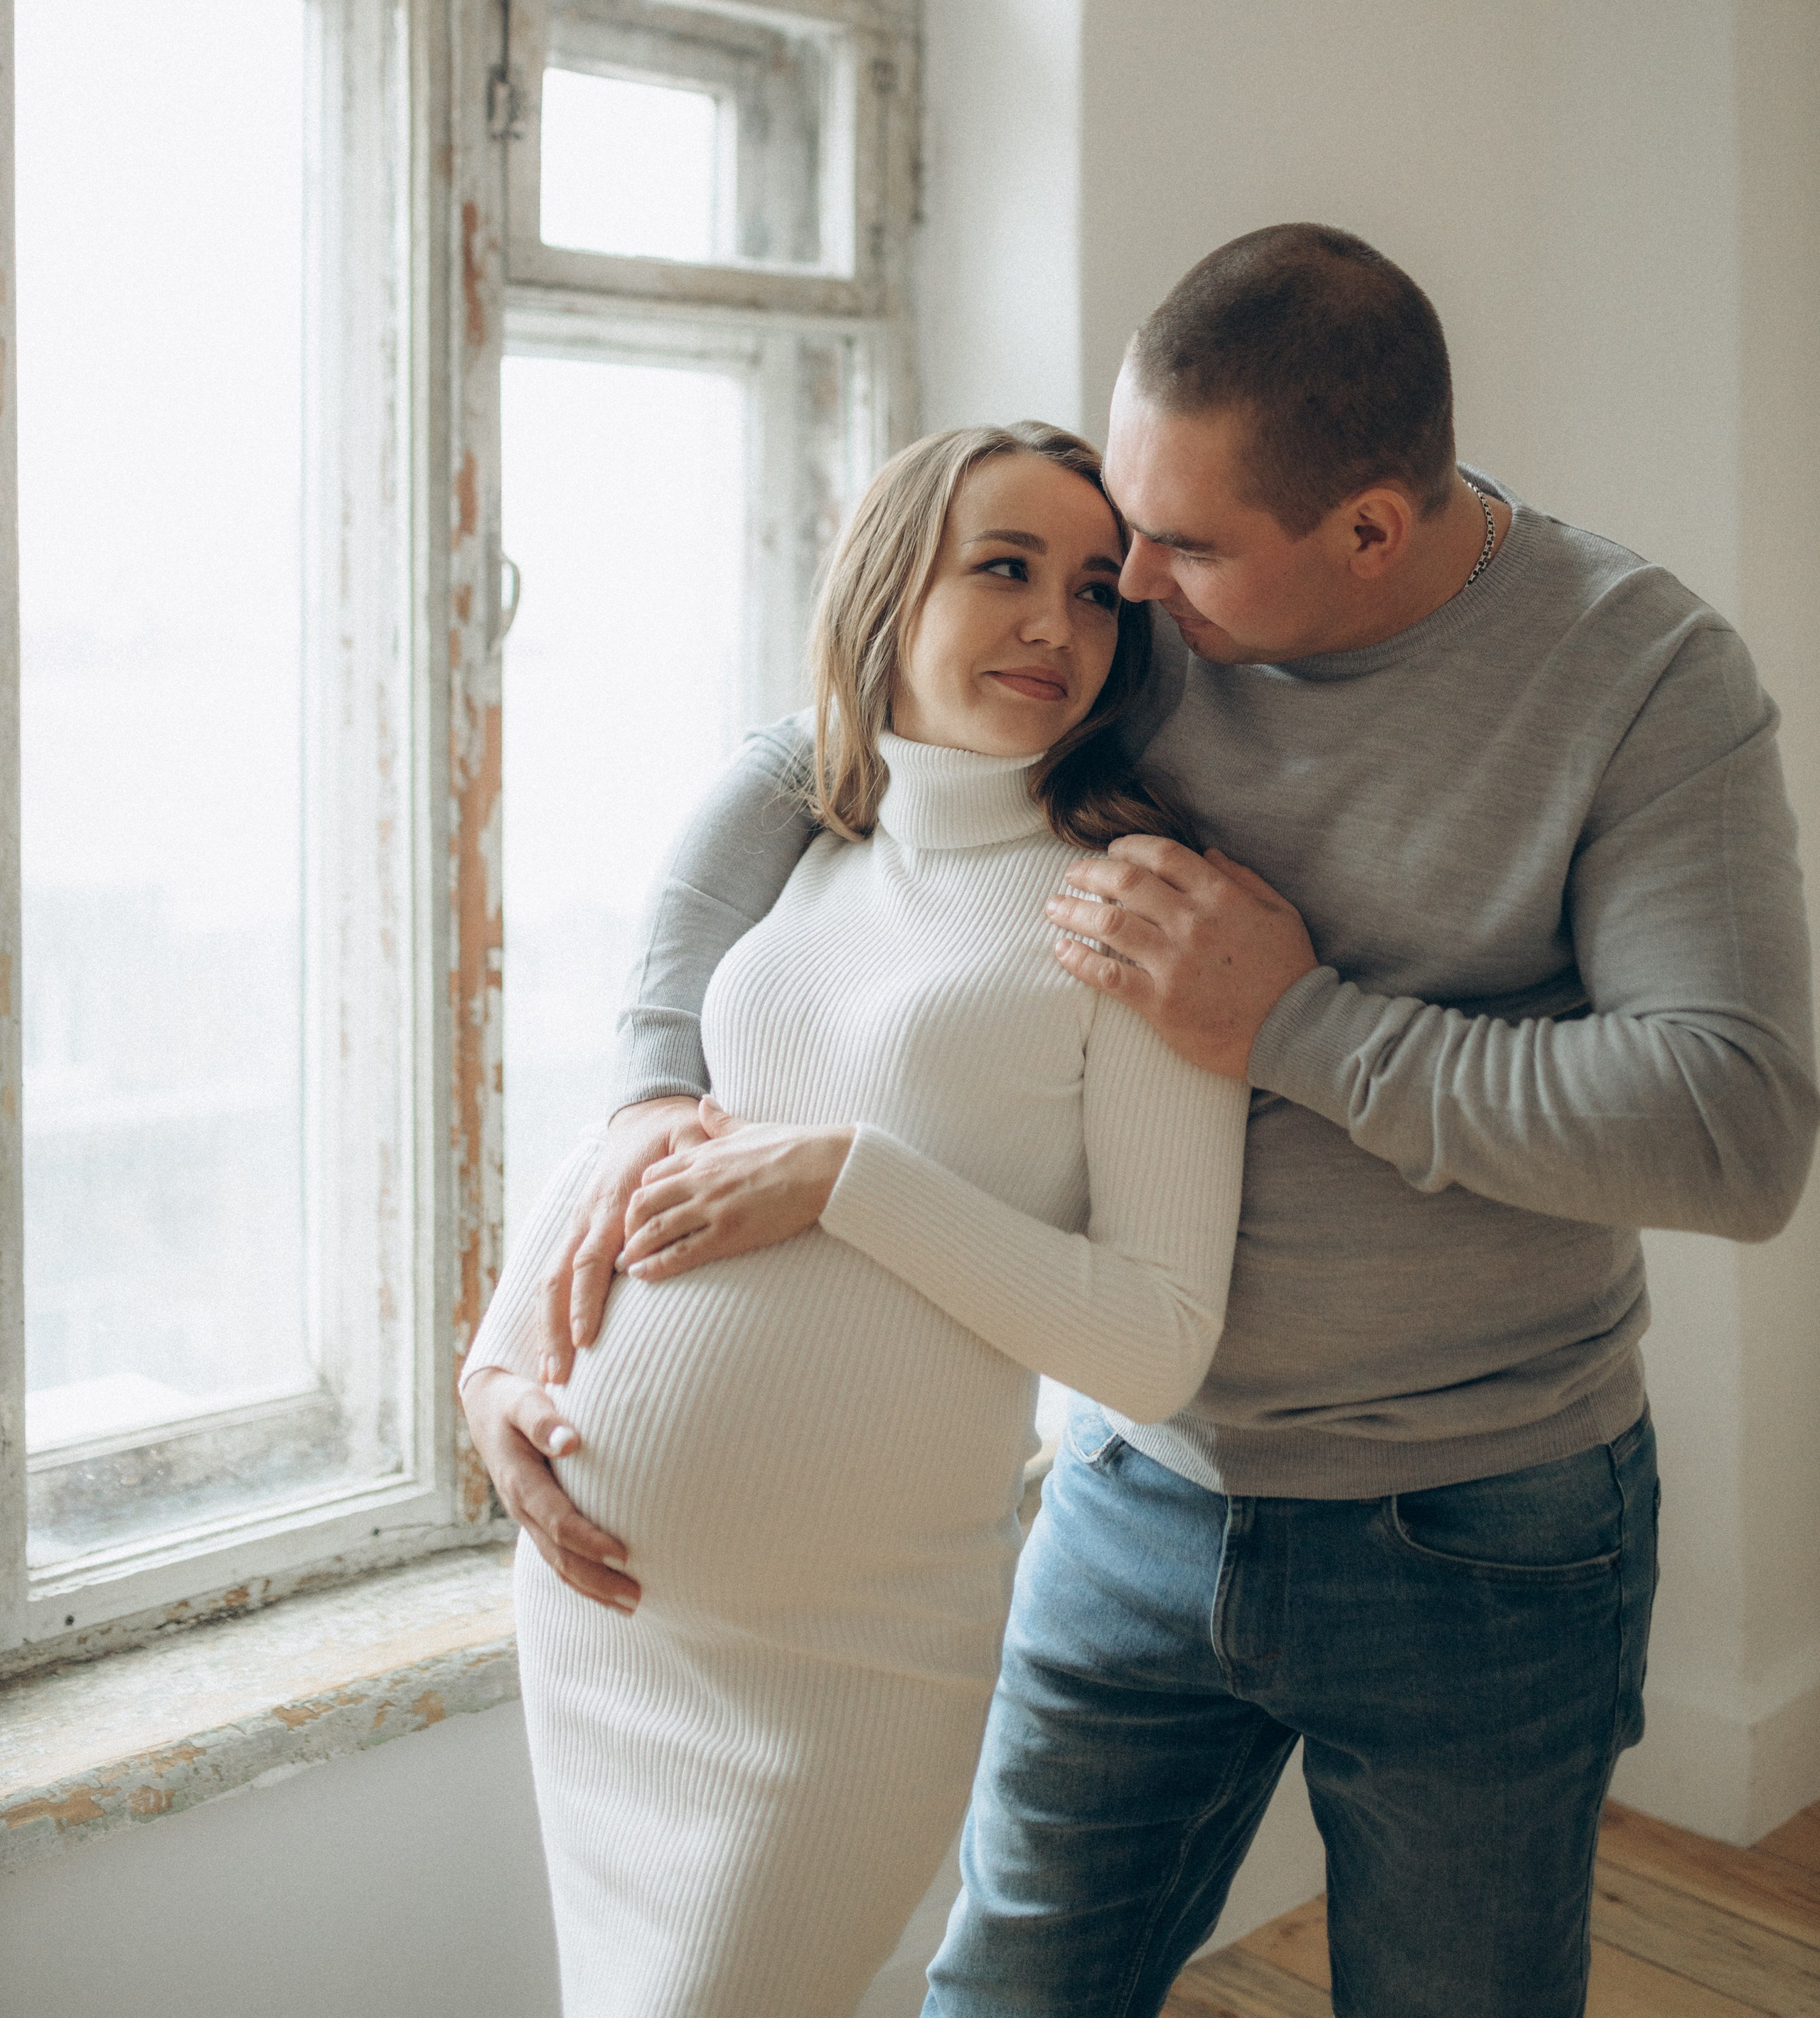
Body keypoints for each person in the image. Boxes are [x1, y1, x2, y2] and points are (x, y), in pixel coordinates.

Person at [468, 223, 1819, 2018]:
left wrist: (1295, 1026)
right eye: (1121, 533)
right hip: (1133, 1494)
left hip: (1476, 1521)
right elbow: (805, 752)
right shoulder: (1143, 623)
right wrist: (655, 1086)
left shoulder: (1633, 673)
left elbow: (1728, 1131)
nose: (1126, 588)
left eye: (1177, 550)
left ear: (1367, 531)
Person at [461, 421, 1252, 2018]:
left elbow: (1156, 1342)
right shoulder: (808, 848)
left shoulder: (1133, 904)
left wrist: (849, 1178)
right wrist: (494, 1366)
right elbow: (652, 1131)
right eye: (1004, 568)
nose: (1055, 623)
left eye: (1095, 592)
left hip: (855, 1657)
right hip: (611, 1625)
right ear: (892, 588)